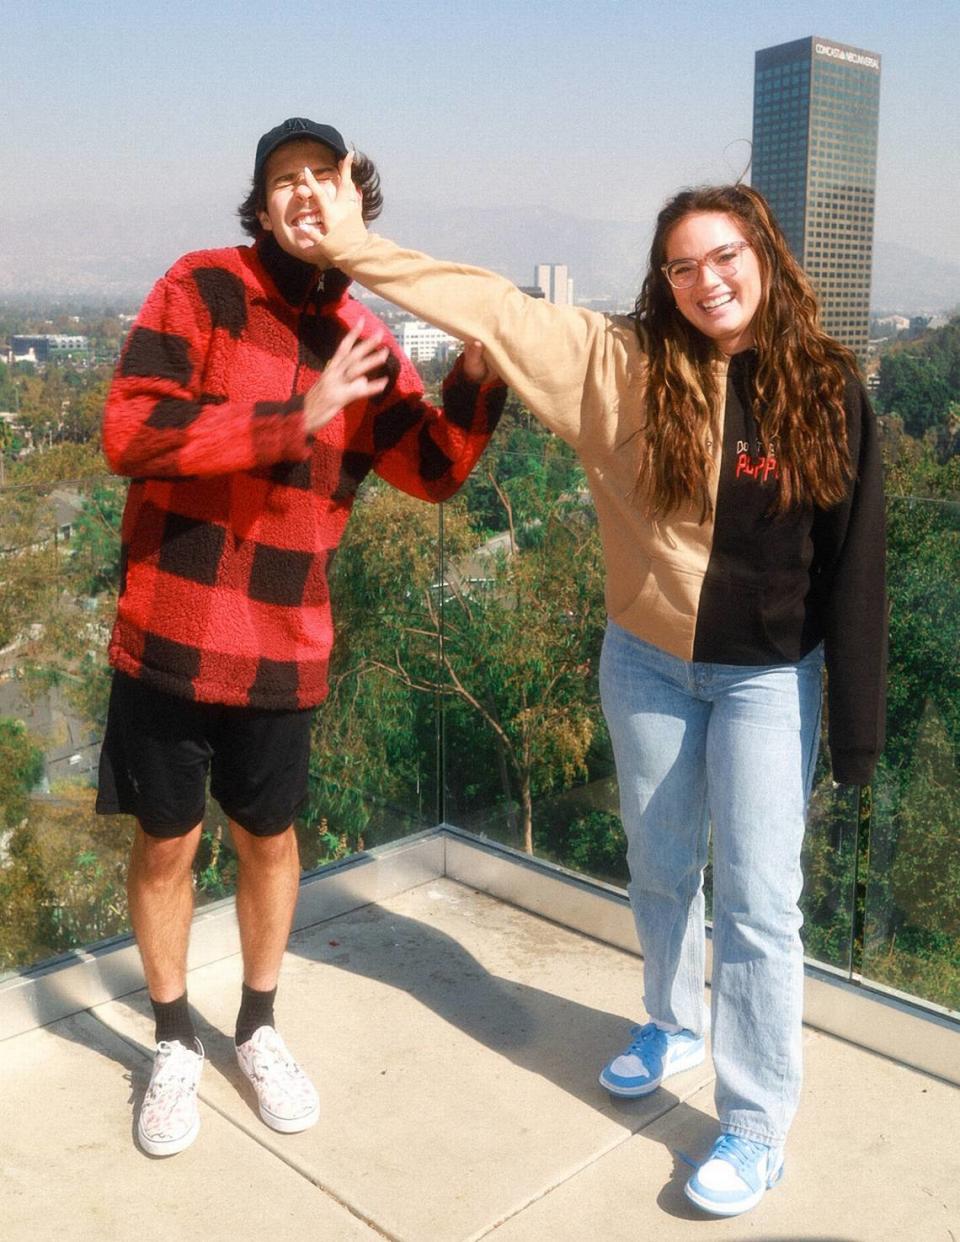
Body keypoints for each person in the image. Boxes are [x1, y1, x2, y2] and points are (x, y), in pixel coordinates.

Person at [298, 163, 886, 1217]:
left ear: (764, 259)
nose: (707, 281)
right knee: (660, 869)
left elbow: (857, 562)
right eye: (681, 267)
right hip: (647, 662)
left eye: (725, 258)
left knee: (759, 906)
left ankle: (755, 1126)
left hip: (765, 683)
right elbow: (486, 301)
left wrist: (855, 732)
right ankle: (673, 1021)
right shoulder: (620, 365)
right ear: (662, 282)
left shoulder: (828, 385)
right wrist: (350, 248)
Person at [96, 118, 505, 1158]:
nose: (303, 192)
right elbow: (129, 431)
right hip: (172, 632)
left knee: (267, 841)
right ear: (261, 202)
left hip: (283, 641)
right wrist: (296, 413)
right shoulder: (201, 288)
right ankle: (173, 1037)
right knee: (166, 844)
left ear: (355, 196)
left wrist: (483, 366)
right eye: (284, 179)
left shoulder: (365, 336)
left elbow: (437, 468)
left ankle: (258, 1026)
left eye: (324, 175)